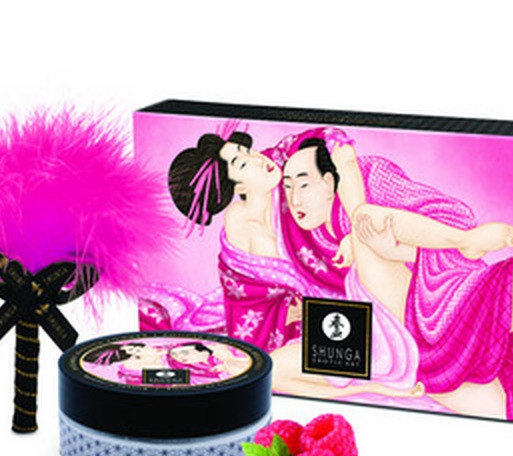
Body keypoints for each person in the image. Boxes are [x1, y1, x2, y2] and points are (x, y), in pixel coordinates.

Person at [269, 129, 513, 422]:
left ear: (330, 182)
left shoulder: (369, 181)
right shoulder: (310, 239)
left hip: (431, 308)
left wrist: (377, 240)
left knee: (366, 220)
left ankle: (464, 241)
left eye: (304, 185)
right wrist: (371, 387)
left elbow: (439, 218)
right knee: (274, 369)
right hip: (393, 349)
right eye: (288, 187)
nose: (295, 199)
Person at [167, 128, 423, 400]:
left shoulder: (282, 166)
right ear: (238, 188)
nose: (257, 158)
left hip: (359, 287)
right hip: (315, 321)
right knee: (272, 371)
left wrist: (352, 224)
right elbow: (246, 298)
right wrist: (291, 309)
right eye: (242, 164)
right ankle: (367, 387)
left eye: (247, 151)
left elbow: (332, 139)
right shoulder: (239, 223)